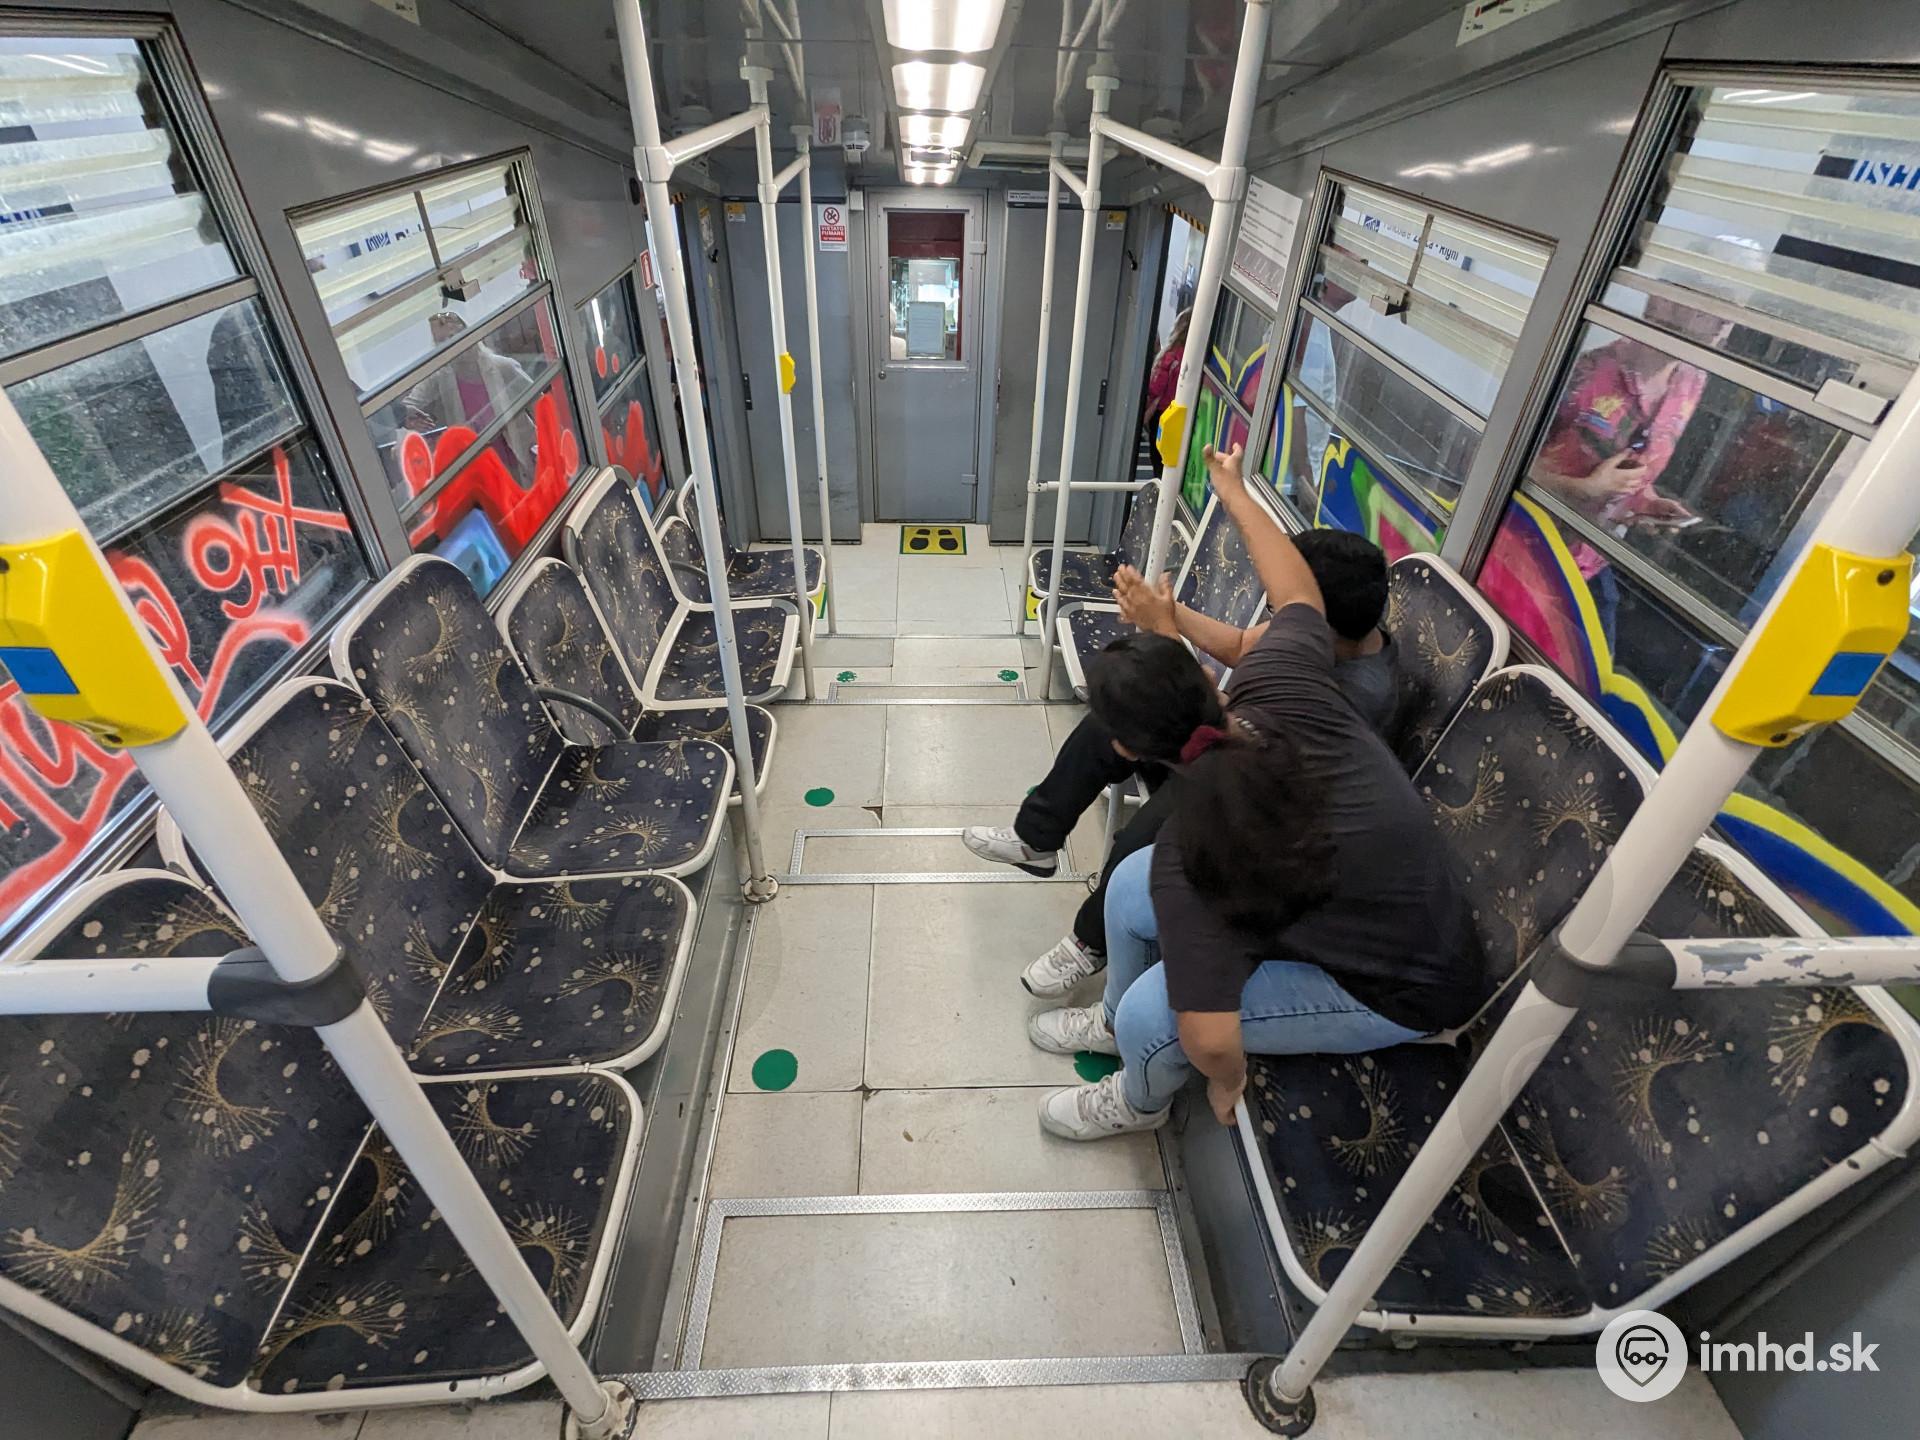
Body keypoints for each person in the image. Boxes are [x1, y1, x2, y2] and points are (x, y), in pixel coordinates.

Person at [1027, 443, 1487, 1140]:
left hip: (1401, 981)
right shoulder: (1288, 676)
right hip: (1356, 904)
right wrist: (1234, 490)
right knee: (1124, 888)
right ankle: (1112, 1019)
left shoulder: (1199, 851)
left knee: (1159, 1015)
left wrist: (1227, 1079)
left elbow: (1209, 1037)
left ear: (1130, 753)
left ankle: (1138, 1101)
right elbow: (1298, 593)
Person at [962, 524, 1400, 999]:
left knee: (1148, 832)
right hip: (1237, 738)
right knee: (1108, 726)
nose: (1276, 620)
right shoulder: (1330, 631)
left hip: (1258, 798)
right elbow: (1239, 646)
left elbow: (1226, 735)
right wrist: (1167, 610)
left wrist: (1166, 635)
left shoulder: (1353, 696)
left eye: (1281, 608)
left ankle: (1091, 942)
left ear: (1317, 621)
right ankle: (1038, 839)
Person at [1529, 296, 1721, 641]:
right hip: (1529, 550)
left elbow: (1637, 463)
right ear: (1664, 302)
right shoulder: (1587, 371)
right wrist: (1582, 489)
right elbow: (1502, 461)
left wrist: (1645, 501)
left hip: (1591, 558)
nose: (1725, 325)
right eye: (1718, 306)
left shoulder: (1691, 382)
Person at [1142, 307, 1192, 437]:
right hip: (1179, 414)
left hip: (1162, 413)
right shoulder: (1191, 358)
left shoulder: (1170, 355)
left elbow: (1155, 388)